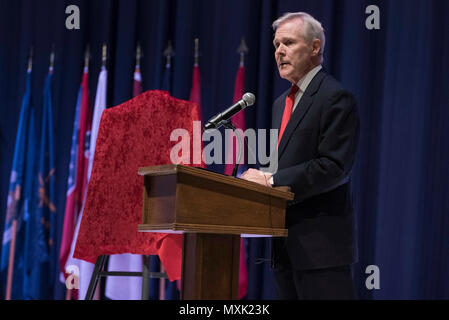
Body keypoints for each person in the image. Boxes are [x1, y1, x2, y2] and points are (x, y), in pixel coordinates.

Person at [240, 12, 360, 299]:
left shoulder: (335, 97)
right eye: (276, 45)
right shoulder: (281, 103)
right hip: (284, 247)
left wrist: (270, 180)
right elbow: (278, 165)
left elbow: (333, 167)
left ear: (315, 47)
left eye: (289, 43)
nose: (279, 51)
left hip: (322, 250)